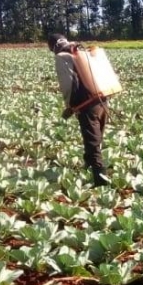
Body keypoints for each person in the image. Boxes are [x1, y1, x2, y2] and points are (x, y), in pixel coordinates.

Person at [49, 33, 110, 187]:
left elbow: (68, 84)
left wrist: (69, 106)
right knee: (96, 138)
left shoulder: (62, 57)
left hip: (87, 105)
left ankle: (101, 179)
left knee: (92, 141)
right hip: (102, 100)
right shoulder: (81, 51)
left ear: (52, 46)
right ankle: (87, 166)